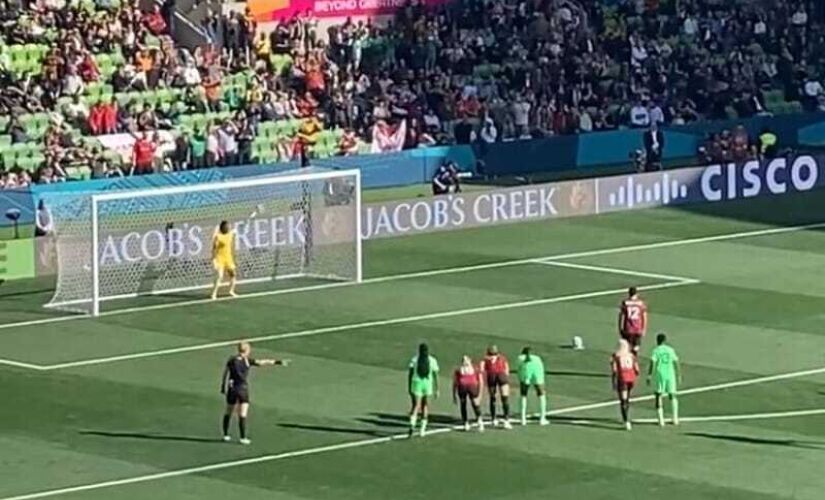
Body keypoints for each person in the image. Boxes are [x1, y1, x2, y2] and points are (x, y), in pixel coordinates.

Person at [221, 341, 289, 444]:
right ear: (247, 350)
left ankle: (225, 434)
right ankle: (242, 437)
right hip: (242, 389)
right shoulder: (247, 361)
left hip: (232, 388)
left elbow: (225, 373)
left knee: (228, 411)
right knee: (242, 414)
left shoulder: (231, 360)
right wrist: (277, 362)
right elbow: (262, 362)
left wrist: (223, 386)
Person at [647, 333, 681, 427]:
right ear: (665, 341)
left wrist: (649, 375)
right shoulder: (670, 350)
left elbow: (652, 362)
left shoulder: (656, 351)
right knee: (672, 395)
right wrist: (679, 375)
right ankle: (675, 419)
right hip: (670, 374)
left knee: (658, 395)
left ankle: (661, 420)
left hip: (660, 374)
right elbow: (676, 362)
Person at [408, 343, 439, 437]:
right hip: (428, 384)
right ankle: (422, 429)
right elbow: (435, 375)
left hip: (416, 383)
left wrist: (409, 386)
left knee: (415, 406)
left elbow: (410, 373)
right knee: (425, 406)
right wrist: (437, 388)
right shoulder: (432, 360)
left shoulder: (415, 359)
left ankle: (412, 425)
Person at [611, 339, 639, 431]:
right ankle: (626, 417)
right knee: (627, 398)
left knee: (623, 400)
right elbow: (637, 369)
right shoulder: (631, 355)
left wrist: (613, 382)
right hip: (631, 379)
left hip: (622, 379)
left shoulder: (616, 356)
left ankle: (626, 421)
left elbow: (614, 371)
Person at [482, 345, 512, 429]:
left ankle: (495, 419)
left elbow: (482, 370)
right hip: (499, 376)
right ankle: (505, 419)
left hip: (494, 376)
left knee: (494, 398)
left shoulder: (486, 359)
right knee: (503, 398)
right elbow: (506, 369)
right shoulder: (501, 358)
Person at [516, 347, 548, 426]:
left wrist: (520, 378)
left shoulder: (520, 358)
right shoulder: (537, 358)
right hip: (537, 374)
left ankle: (523, 419)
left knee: (523, 395)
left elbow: (519, 369)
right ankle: (542, 418)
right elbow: (541, 369)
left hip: (526, 373)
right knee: (541, 394)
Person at [452, 355, 484, 432]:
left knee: (475, 404)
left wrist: (480, 395)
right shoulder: (458, 371)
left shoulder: (475, 370)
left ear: (470, 361)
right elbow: (455, 383)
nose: (465, 361)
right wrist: (454, 395)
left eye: (466, 360)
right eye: (463, 360)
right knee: (463, 405)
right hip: (462, 389)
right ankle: (465, 422)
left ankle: (479, 420)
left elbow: (481, 382)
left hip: (472, 389)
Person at [210, 220, 238, 299]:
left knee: (233, 274)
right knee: (220, 276)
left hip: (228, 258)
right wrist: (214, 260)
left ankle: (231, 291)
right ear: (223, 228)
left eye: (229, 226)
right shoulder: (218, 237)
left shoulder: (230, 234)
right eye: (227, 226)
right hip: (220, 259)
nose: (229, 227)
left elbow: (236, 230)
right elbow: (214, 249)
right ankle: (214, 293)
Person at [618, 286, 648, 355]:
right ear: (636, 293)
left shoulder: (625, 303)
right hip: (638, 328)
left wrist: (620, 327)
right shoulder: (641, 303)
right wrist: (644, 329)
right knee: (636, 346)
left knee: (627, 347)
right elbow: (644, 316)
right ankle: (634, 359)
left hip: (628, 328)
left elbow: (621, 316)